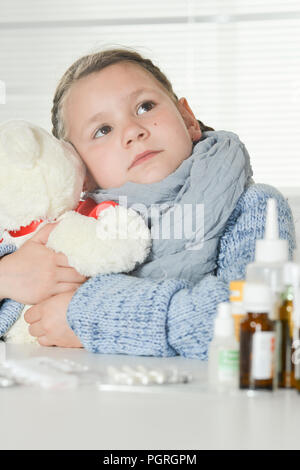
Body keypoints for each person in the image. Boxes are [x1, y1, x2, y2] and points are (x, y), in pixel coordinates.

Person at [0, 48, 296, 358]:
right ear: (78, 168)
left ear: (188, 119)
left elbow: (254, 324)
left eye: (145, 107)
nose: (132, 131)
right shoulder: (65, 228)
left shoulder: (253, 207)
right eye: (102, 130)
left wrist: (87, 314)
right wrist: (6, 277)